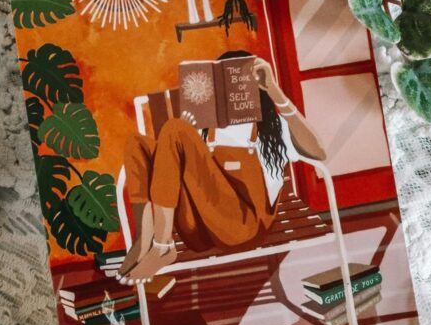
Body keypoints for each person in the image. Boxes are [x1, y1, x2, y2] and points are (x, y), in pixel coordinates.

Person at [118, 51, 326, 284]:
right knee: (137, 143)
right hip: (199, 231)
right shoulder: (205, 127)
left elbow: (319, 151)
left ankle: (163, 246)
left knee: (174, 129)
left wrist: (275, 91)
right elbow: (181, 176)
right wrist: (186, 137)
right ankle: (144, 239)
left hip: (243, 229)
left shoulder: (271, 128)